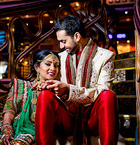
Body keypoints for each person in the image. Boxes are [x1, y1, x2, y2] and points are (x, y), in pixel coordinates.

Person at [34, 15, 119, 145]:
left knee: (108, 96)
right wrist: (44, 84)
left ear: (77, 37)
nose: (61, 47)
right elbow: (48, 76)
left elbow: (103, 90)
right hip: (68, 117)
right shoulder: (60, 58)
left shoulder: (105, 56)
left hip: (92, 117)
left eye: (63, 41)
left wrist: (69, 90)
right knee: (45, 96)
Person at [0, 49, 60, 145]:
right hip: (14, 127)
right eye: (48, 64)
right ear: (37, 67)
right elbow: (10, 111)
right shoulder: (21, 86)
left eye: (56, 65)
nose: (53, 68)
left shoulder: (59, 90)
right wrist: (7, 129)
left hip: (38, 132)